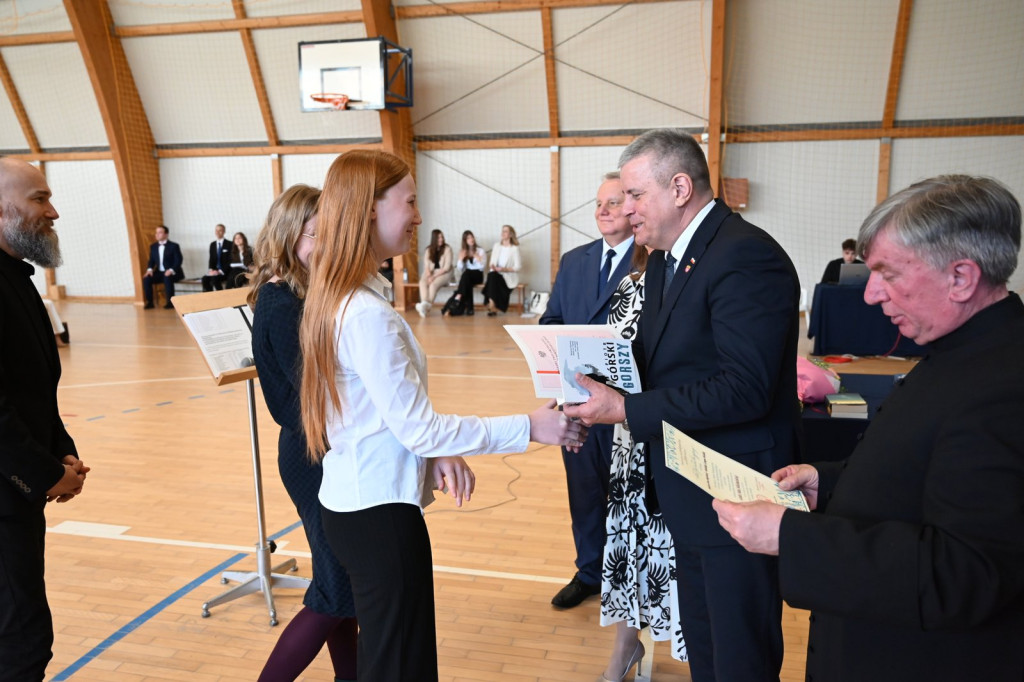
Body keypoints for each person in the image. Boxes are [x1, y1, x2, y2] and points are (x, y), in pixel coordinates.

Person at [714, 175, 1024, 682]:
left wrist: (790, 537)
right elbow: (926, 474)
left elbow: (964, 573)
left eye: (888, 273)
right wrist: (830, 484)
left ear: (961, 277)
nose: (872, 294)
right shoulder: (965, 352)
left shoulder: (1004, 385)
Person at [297, 149, 586, 682]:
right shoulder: (365, 313)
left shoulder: (343, 297)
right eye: (409, 201)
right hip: (379, 517)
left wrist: (434, 454)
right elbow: (418, 427)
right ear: (369, 209)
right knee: (399, 667)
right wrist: (531, 426)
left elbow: (376, 417)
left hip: (354, 503)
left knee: (389, 660)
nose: (418, 215)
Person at [564, 128, 800, 682]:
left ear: (679, 188)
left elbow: (745, 387)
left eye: (635, 195)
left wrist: (626, 411)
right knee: (705, 648)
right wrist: (591, 380)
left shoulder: (745, 255)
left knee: (738, 655)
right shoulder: (667, 261)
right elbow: (664, 362)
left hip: (738, 488)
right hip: (686, 488)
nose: (626, 209)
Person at [249, 185, 358, 682]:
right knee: (334, 591)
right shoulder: (280, 302)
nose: (328, 244)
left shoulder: (304, 293)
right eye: (317, 235)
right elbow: (314, 395)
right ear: (290, 235)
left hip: (324, 449)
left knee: (340, 584)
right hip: (311, 455)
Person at [0, 157, 90, 681]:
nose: (52, 212)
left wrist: (62, 451)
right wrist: (43, 473)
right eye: (39, 199)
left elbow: (33, 389)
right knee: (22, 642)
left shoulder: (17, 277)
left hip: (19, 492)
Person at [540, 172, 635, 611]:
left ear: (632, 207)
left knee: (627, 495)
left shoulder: (653, 259)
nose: (603, 210)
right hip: (577, 401)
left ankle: (630, 578)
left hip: (627, 406)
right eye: (599, 203)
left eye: (614, 202)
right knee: (583, 491)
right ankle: (590, 572)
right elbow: (551, 321)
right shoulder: (575, 260)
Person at [599, 245, 688, 681]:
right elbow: (607, 359)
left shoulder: (698, 280)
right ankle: (625, 646)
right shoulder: (630, 286)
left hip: (685, 433)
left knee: (679, 549)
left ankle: (698, 654)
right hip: (631, 440)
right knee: (630, 542)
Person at [443, 230, 486, 317]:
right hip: (467, 277)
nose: (471, 239)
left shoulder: (480, 251)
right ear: (465, 241)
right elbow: (460, 269)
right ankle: (470, 310)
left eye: (472, 237)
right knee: (467, 281)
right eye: (468, 238)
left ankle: (458, 297)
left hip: (478, 275)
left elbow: (482, 268)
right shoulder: (463, 251)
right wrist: (460, 259)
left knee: (466, 275)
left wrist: (478, 258)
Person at [481, 224, 521, 316]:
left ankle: (491, 304)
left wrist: (504, 269)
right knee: (492, 275)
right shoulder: (496, 246)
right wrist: (493, 267)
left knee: (492, 277)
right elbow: (491, 263)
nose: (502, 233)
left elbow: (518, 267)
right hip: (495, 274)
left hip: (507, 277)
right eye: (502, 231)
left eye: (505, 231)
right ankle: (492, 305)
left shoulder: (514, 249)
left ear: (510, 234)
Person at [142, 224, 184, 308]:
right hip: (159, 272)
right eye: (156, 233)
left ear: (166, 234)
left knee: (167, 277)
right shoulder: (153, 246)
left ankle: (170, 303)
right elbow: (151, 261)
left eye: (160, 232)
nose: (157, 234)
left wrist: (171, 270)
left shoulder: (174, 246)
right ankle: (150, 302)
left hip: (173, 272)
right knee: (147, 279)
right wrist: (149, 270)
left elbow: (178, 260)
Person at [414, 229, 453, 317]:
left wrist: (433, 277)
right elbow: (426, 265)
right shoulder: (428, 249)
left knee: (433, 285)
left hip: (444, 273)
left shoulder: (447, 249)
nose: (441, 239)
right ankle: (424, 305)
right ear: (434, 239)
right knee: (422, 282)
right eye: (439, 237)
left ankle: (425, 307)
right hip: (430, 272)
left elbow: (446, 268)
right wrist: (429, 276)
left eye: (442, 237)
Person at [201, 223, 232, 291]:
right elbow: (211, 259)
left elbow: (230, 261)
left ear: (224, 232)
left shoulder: (230, 244)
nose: (217, 232)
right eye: (216, 230)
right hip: (215, 272)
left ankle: (221, 296)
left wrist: (220, 271)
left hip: (225, 272)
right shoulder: (212, 244)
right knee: (204, 279)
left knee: (214, 280)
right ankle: (209, 296)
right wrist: (211, 270)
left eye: (220, 230)